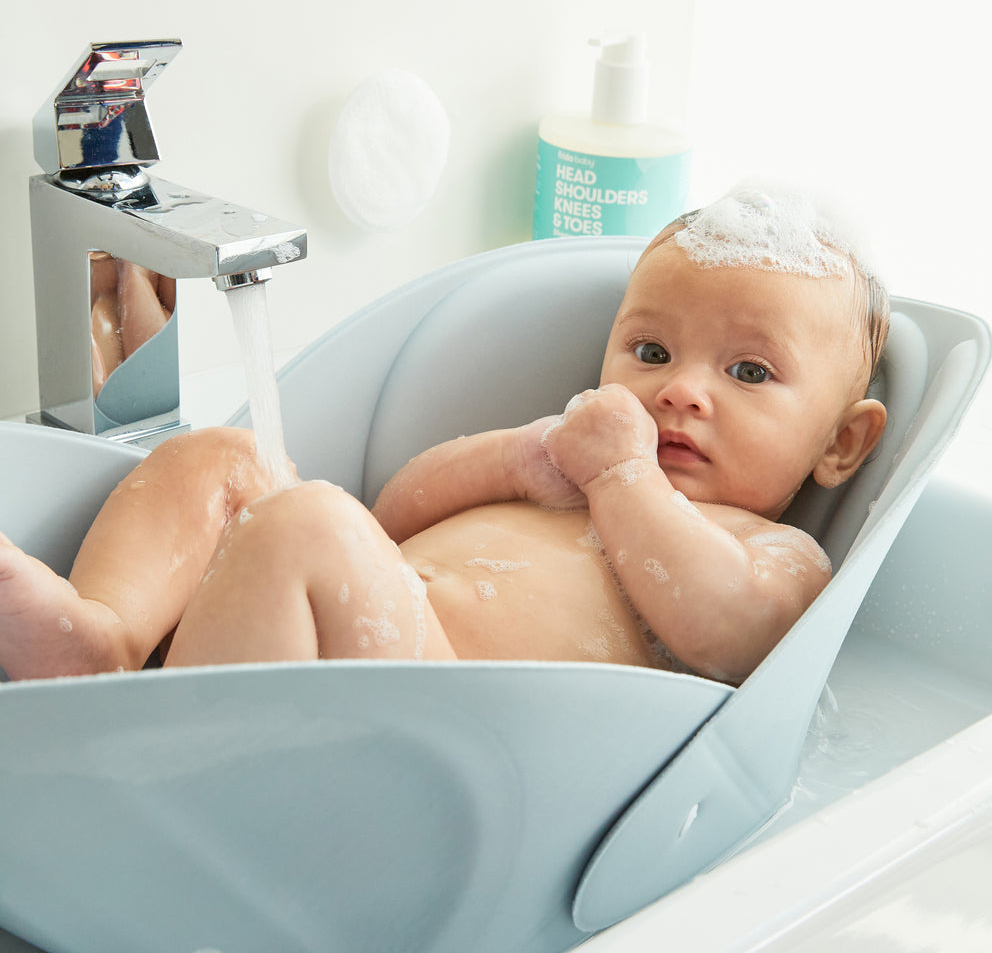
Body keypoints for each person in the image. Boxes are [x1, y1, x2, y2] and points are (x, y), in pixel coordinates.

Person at [0, 184, 889, 687]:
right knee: (229, 461)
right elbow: (392, 512)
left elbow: (731, 639)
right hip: (349, 629)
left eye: (748, 373)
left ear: (841, 445)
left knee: (307, 523)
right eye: (652, 351)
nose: (682, 392)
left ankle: (158, 759)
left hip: (435, 703)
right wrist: (517, 458)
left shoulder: (772, 552)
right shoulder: (566, 461)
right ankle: (103, 640)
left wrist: (626, 478)